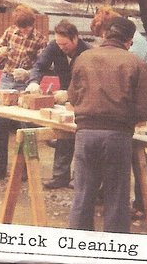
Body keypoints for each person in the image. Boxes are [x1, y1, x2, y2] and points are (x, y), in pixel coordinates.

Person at [68, 16, 147, 233]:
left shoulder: (83, 57)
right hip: (117, 135)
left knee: (83, 195)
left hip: (85, 134)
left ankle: (77, 249)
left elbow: (72, 96)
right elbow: (146, 107)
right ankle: (113, 250)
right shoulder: (135, 62)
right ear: (129, 41)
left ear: (105, 34)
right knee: (116, 197)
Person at [91, 5, 147, 219]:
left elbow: (125, 87)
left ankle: (142, 204)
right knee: (125, 159)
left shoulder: (132, 52)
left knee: (134, 158)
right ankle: (120, 200)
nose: (101, 42)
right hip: (123, 114)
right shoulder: (127, 45)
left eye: (102, 35)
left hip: (125, 115)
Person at [0, 5, 48, 182]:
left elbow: (42, 66)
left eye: (25, 27)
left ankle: (26, 169)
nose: (23, 30)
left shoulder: (40, 40)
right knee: (0, 123)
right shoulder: (10, 32)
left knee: (26, 126)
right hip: (7, 78)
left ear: (32, 23)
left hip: (25, 83)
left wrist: (29, 74)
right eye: (20, 27)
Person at [26, 19, 91, 189]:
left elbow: (89, 82)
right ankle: (60, 176)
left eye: (65, 44)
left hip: (83, 97)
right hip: (64, 97)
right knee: (62, 132)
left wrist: (70, 94)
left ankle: (79, 178)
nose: (62, 48)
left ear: (75, 38)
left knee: (80, 137)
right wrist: (34, 81)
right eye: (59, 44)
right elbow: (39, 65)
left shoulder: (88, 53)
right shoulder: (54, 46)